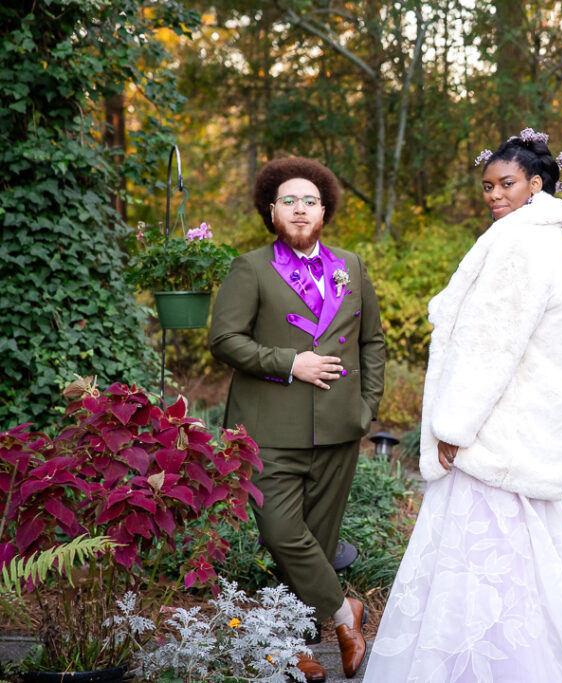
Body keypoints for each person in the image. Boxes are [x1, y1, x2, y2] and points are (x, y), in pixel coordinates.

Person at [363, 130, 562, 682]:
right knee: (522, 562)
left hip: (495, 432)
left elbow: (493, 346)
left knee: (487, 557)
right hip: (516, 429)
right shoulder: (540, 238)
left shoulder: (520, 243)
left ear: (535, 185)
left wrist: (454, 425)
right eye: (487, 185)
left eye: (506, 184)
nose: (493, 195)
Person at [210, 157, 386, 681]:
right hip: (268, 431)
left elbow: (372, 341)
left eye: (310, 200)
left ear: (324, 210)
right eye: (289, 200)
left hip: (339, 429)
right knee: (283, 533)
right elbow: (224, 340)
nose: (300, 208)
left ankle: (295, 648)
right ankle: (343, 614)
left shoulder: (351, 266)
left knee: (317, 544)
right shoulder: (250, 268)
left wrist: (366, 408)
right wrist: (290, 363)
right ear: (272, 211)